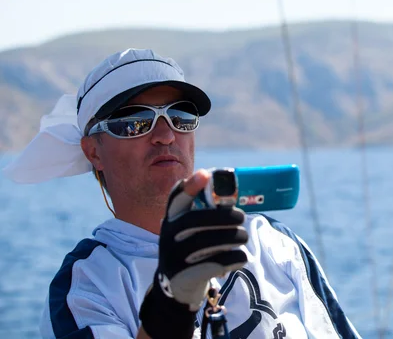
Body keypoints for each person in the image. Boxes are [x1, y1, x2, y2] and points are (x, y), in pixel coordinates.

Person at [3, 48, 360, 339]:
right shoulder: (87, 284)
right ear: (93, 151)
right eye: (135, 122)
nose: (166, 135)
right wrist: (172, 301)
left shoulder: (277, 244)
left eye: (181, 116)